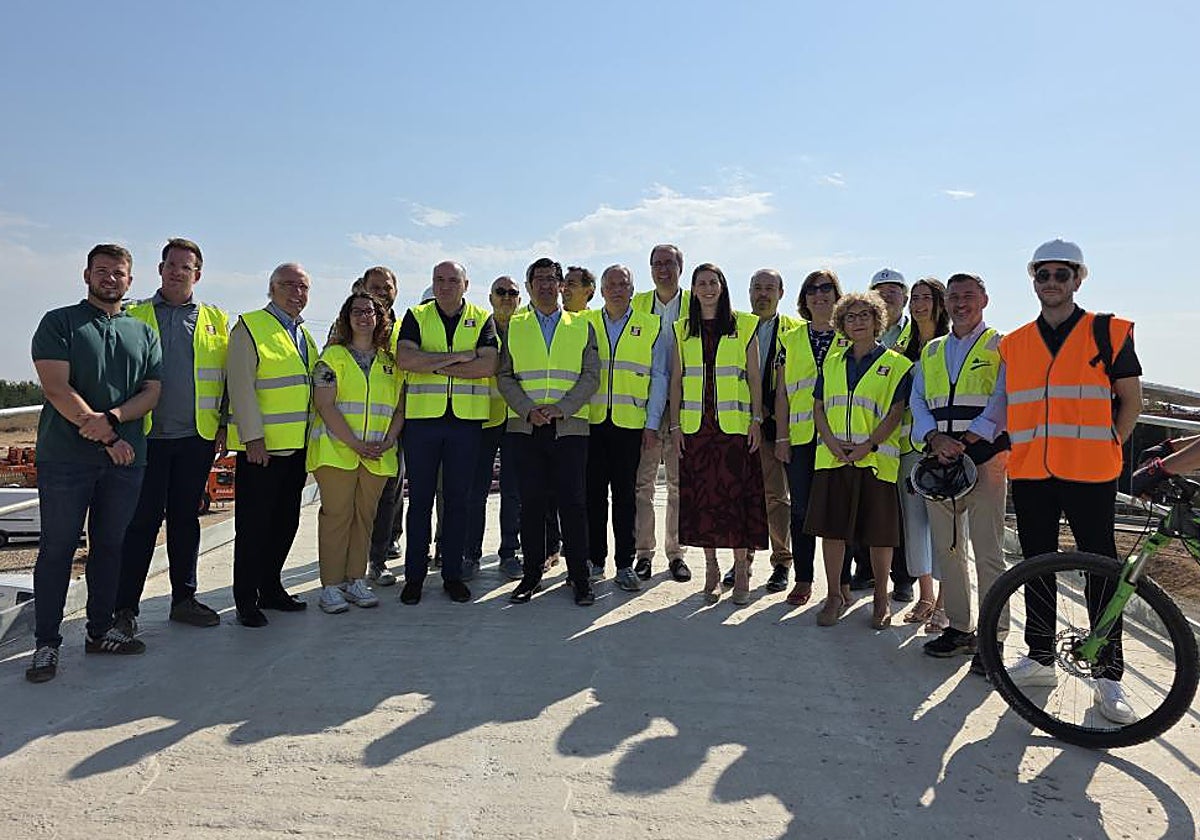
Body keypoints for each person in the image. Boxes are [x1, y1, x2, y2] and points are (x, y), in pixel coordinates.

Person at [999, 239, 1143, 724]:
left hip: (1091, 472)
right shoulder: (1014, 343)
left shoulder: (1108, 333)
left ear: (1078, 279)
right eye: (1044, 275)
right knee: (1036, 563)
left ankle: (1107, 673)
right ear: (1033, 280)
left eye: (1062, 274)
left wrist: (1111, 446)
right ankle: (1041, 656)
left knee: (1100, 570)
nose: (1052, 283)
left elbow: (1131, 401)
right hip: (1033, 472)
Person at [25, 244, 163, 683]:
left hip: (127, 460)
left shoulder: (142, 331)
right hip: (66, 459)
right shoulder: (60, 322)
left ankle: (101, 630)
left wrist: (115, 420)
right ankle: (46, 643)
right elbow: (56, 387)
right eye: (102, 271)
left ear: (130, 280)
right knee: (57, 549)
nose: (110, 278)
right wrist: (106, 435)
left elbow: (152, 390)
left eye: (118, 272)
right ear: (86, 274)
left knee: (109, 546)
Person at [115, 238, 228, 637]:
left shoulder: (215, 319)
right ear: (160, 269)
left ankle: (183, 599)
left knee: (185, 520)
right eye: (171, 265)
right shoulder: (133, 315)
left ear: (198, 273)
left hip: (195, 436)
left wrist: (224, 425)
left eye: (186, 266)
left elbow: (226, 378)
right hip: (146, 437)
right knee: (141, 523)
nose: (178, 271)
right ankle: (124, 608)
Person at [912, 273, 1010, 674]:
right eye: (953, 297)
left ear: (984, 298)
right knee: (948, 548)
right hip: (941, 463)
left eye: (968, 295)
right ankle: (958, 626)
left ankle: (993, 636)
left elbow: (1005, 395)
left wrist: (970, 438)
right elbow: (918, 399)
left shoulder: (1002, 345)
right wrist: (934, 438)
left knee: (988, 551)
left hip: (985, 459)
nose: (960, 303)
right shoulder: (932, 351)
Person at [805, 291, 912, 629]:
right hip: (834, 458)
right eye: (850, 317)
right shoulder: (833, 362)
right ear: (841, 324)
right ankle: (835, 594)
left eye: (865, 315)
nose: (858, 321)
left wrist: (869, 445)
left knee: (879, 534)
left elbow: (896, 412)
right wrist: (832, 442)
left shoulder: (897, 365)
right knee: (832, 531)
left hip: (875, 459)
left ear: (878, 319)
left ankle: (881, 598)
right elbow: (819, 407)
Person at [497, 257, 600, 606]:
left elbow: (591, 375)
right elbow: (505, 375)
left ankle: (580, 577)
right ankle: (531, 576)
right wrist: (527, 409)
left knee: (574, 504)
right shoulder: (516, 325)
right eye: (537, 279)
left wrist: (563, 408)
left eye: (551, 279)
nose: (544, 285)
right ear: (528, 287)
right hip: (526, 428)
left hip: (569, 428)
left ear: (561, 286)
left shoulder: (582, 325)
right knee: (532, 505)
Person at [395, 261, 499, 605]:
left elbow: (487, 364)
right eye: (439, 279)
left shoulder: (482, 317)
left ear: (465, 284)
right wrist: (457, 359)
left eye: (453, 280)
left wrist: (433, 363)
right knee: (420, 502)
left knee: (458, 502)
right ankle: (414, 577)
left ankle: (452, 574)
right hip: (423, 421)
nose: (445, 285)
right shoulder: (416, 315)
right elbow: (406, 359)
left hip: (466, 423)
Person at [226, 262, 319, 627]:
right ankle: (246, 599)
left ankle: (272, 588)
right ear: (272, 288)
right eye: (289, 285)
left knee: (285, 523)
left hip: (296, 449)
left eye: (303, 287)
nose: (297, 293)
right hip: (261, 451)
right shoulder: (250, 326)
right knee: (253, 527)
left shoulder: (303, 335)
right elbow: (241, 386)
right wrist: (253, 438)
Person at [669, 263, 767, 605]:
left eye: (714, 282)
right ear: (693, 290)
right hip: (697, 429)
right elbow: (676, 381)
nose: (708, 288)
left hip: (735, 429)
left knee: (736, 500)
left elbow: (755, 377)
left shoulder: (744, 326)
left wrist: (757, 419)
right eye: (701, 283)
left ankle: (741, 569)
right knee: (703, 501)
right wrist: (675, 425)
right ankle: (711, 569)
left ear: (723, 287)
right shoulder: (681, 329)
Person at [308, 292, 405, 614]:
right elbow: (325, 404)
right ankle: (331, 586)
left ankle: (355, 579)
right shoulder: (331, 358)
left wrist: (389, 439)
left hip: (377, 455)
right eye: (356, 312)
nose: (364, 317)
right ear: (346, 318)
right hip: (337, 452)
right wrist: (354, 442)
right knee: (337, 517)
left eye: (370, 312)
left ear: (380, 319)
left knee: (365, 519)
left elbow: (400, 407)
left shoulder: (390, 363)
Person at [585, 264, 667, 591]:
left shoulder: (650, 325)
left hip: (630, 425)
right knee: (592, 495)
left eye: (623, 284)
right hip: (591, 423)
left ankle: (624, 564)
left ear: (632, 290)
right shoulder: (585, 323)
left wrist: (651, 423)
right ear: (601, 291)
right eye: (611, 285)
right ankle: (594, 561)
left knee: (625, 497)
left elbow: (658, 378)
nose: (617, 289)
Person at [774, 269, 847, 607]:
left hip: (840, 438)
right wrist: (782, 437)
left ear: (837, 295)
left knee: (839, 512)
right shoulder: (789, 340)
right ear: (803, 299)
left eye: (826, 289)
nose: (820, 295)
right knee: (802, 511)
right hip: (802, 438)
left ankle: (842, 581)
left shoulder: (850, 336)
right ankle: (803, 579)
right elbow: (783, 394)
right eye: (812, 290)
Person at [848, 267, 916, 603]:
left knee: (897, 514)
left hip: (902, 439)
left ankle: (903, 578)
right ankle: (866, 571)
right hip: (860, 436)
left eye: (894, 290)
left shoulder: (914, 335)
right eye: (881, 290)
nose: (888, 295)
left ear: (904, 296)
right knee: (862, 509)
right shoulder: (858, 333)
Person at [728, 269, 799, 592]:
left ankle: (782, 562)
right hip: (738, 423)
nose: (762, 293)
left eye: (769, 288)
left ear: (781, 293)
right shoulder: (735, 326)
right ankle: (742, 562)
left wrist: (767, 409)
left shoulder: (794, 330)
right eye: (757, 287)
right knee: (740, 496)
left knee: (775, 497)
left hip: (775, 426)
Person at [633, 244, 692, 582]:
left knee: (678, 484)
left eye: (669, 263)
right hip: (646, 405)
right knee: (643, 484)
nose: (663, 269)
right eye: (657, 264)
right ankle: (644, 553)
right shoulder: (638, 303)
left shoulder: (695, 304)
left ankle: (676, 553)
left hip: (683, 407)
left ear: (680, 267)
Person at [894, 277, 949, 628]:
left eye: (925, 298)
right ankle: (925, 596)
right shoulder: (904, 343)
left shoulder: (949, 344)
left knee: (945, 527)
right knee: (914, 525)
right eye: (914, 298)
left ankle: (946, 603)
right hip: (908, 447)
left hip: (944, 446)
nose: (918, 304)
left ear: (939, 303)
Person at [464, 275, 525, 581]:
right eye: (500, 292)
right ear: (490, 297)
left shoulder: (526, 330)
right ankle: (470, 554)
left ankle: (509, 553)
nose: (506, 297)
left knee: (513, 492)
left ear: (520, 299)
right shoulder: (477, 329)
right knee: (476, 492)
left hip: (515, 421)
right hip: (483, 419)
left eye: (512, 293)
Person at [358, 266, 406, 587]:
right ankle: (349, 562)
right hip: (354, 428)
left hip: (394, 426)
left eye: (386, 287)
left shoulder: (405, 328)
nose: (381, 292)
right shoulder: (346, 325)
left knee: (389, 493)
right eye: (374, 286)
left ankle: (378, 559)